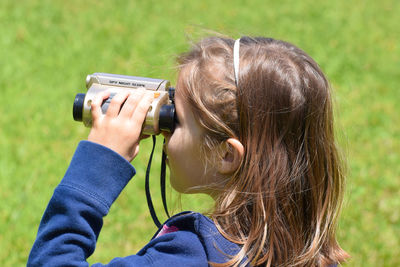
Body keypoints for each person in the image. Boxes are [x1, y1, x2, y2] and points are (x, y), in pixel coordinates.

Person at [28, 36, 349, 266]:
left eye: (176, 118)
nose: (163, 129)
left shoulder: (190, 255)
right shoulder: (309, 253)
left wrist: (96, 168)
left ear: (227, 155)